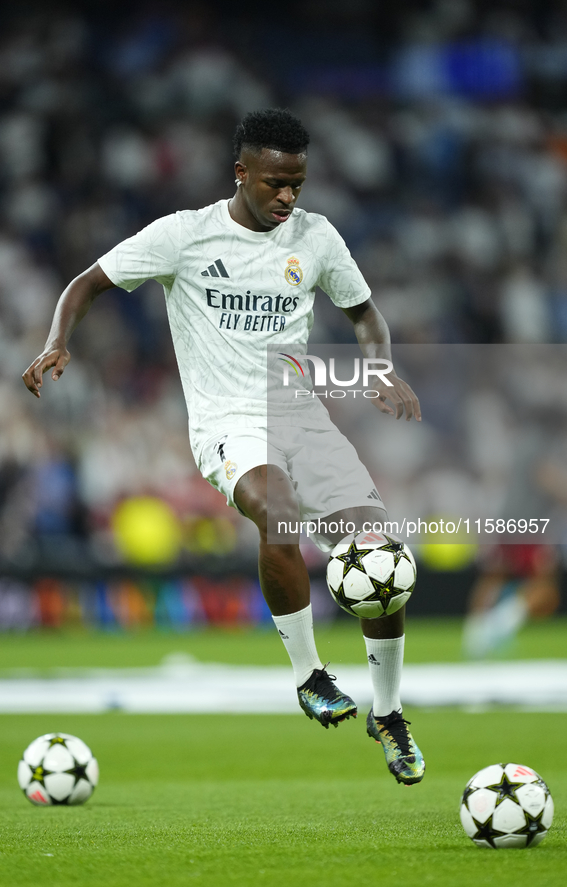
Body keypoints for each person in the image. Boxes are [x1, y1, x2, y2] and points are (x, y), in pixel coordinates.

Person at [23, 108, 425, 785]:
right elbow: (87, 281)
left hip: (300, 415)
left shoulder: (316, 238)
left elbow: (363, 313)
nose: (286, 197)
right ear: (241, 173)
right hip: (226, 421)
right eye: (274, 183)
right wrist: (56, 339)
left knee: (378, 559)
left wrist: (379, 365)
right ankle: (310, 675)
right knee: (277, 509)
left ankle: (386, 713)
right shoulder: (183, 235)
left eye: (296, 183)